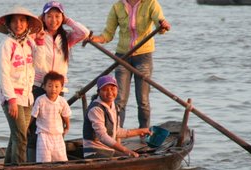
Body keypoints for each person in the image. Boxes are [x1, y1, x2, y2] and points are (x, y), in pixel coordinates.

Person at [90, 0, 171, 130]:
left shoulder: (151, 3)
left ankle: (144, 131)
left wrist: (163, 25)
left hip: (143, 55)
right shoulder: (117, 6)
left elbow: (159, 22)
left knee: (143, 99)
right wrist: (94, 39)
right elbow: (107, 34)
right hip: (123, 56)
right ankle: (117, 131)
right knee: (119, 99)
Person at [28, 0, 90, 161]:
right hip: (39, 85)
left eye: (57, 16)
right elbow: (25, 33)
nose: (53, 20)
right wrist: (37, 22)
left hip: (57, 87)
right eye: (49, 16)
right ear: (44, 17)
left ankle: (55, 157)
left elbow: (84, 33)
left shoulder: (66, 38)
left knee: (55, 124)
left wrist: (67, 20)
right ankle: (31, 160)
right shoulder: (38, 34)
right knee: (36, 125)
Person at [0, 6, 43, 165]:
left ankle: (8, 167)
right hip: (12, 97)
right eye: (14, 21)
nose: (18, 24)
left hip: (27, 97)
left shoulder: (30, 43)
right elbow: (3, 74)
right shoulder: (7, 44)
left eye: (22, 20)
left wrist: (40, 42)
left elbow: (39, 65)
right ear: (8, 24)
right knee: (21, 137)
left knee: (16, 135)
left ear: (27, 24)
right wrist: (11, 100)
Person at [82, 75, 150, 158]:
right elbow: (102, 136)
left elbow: (117, 131)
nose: (110, 93)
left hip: (108, 150)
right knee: (130, 157)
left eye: (112, 89)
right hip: (94, 152)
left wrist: (141, 131)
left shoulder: (114, 106)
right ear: (99, 92)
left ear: (117, 90)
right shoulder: (96, 109)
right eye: (105, 90)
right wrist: (126, 150)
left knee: (139, 156)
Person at [30, 71, 71, 162]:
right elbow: (33, 115)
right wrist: (27, 127)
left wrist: (67, 127)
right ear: (44, 87)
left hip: (57, 135)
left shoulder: (62, 101)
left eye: (56, 86)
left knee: (61, 159)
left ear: (61, 88)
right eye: (50, 86)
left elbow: (66, 115)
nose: (53, 89)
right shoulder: (40, 100)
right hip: (43, 135)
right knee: (44, 160)